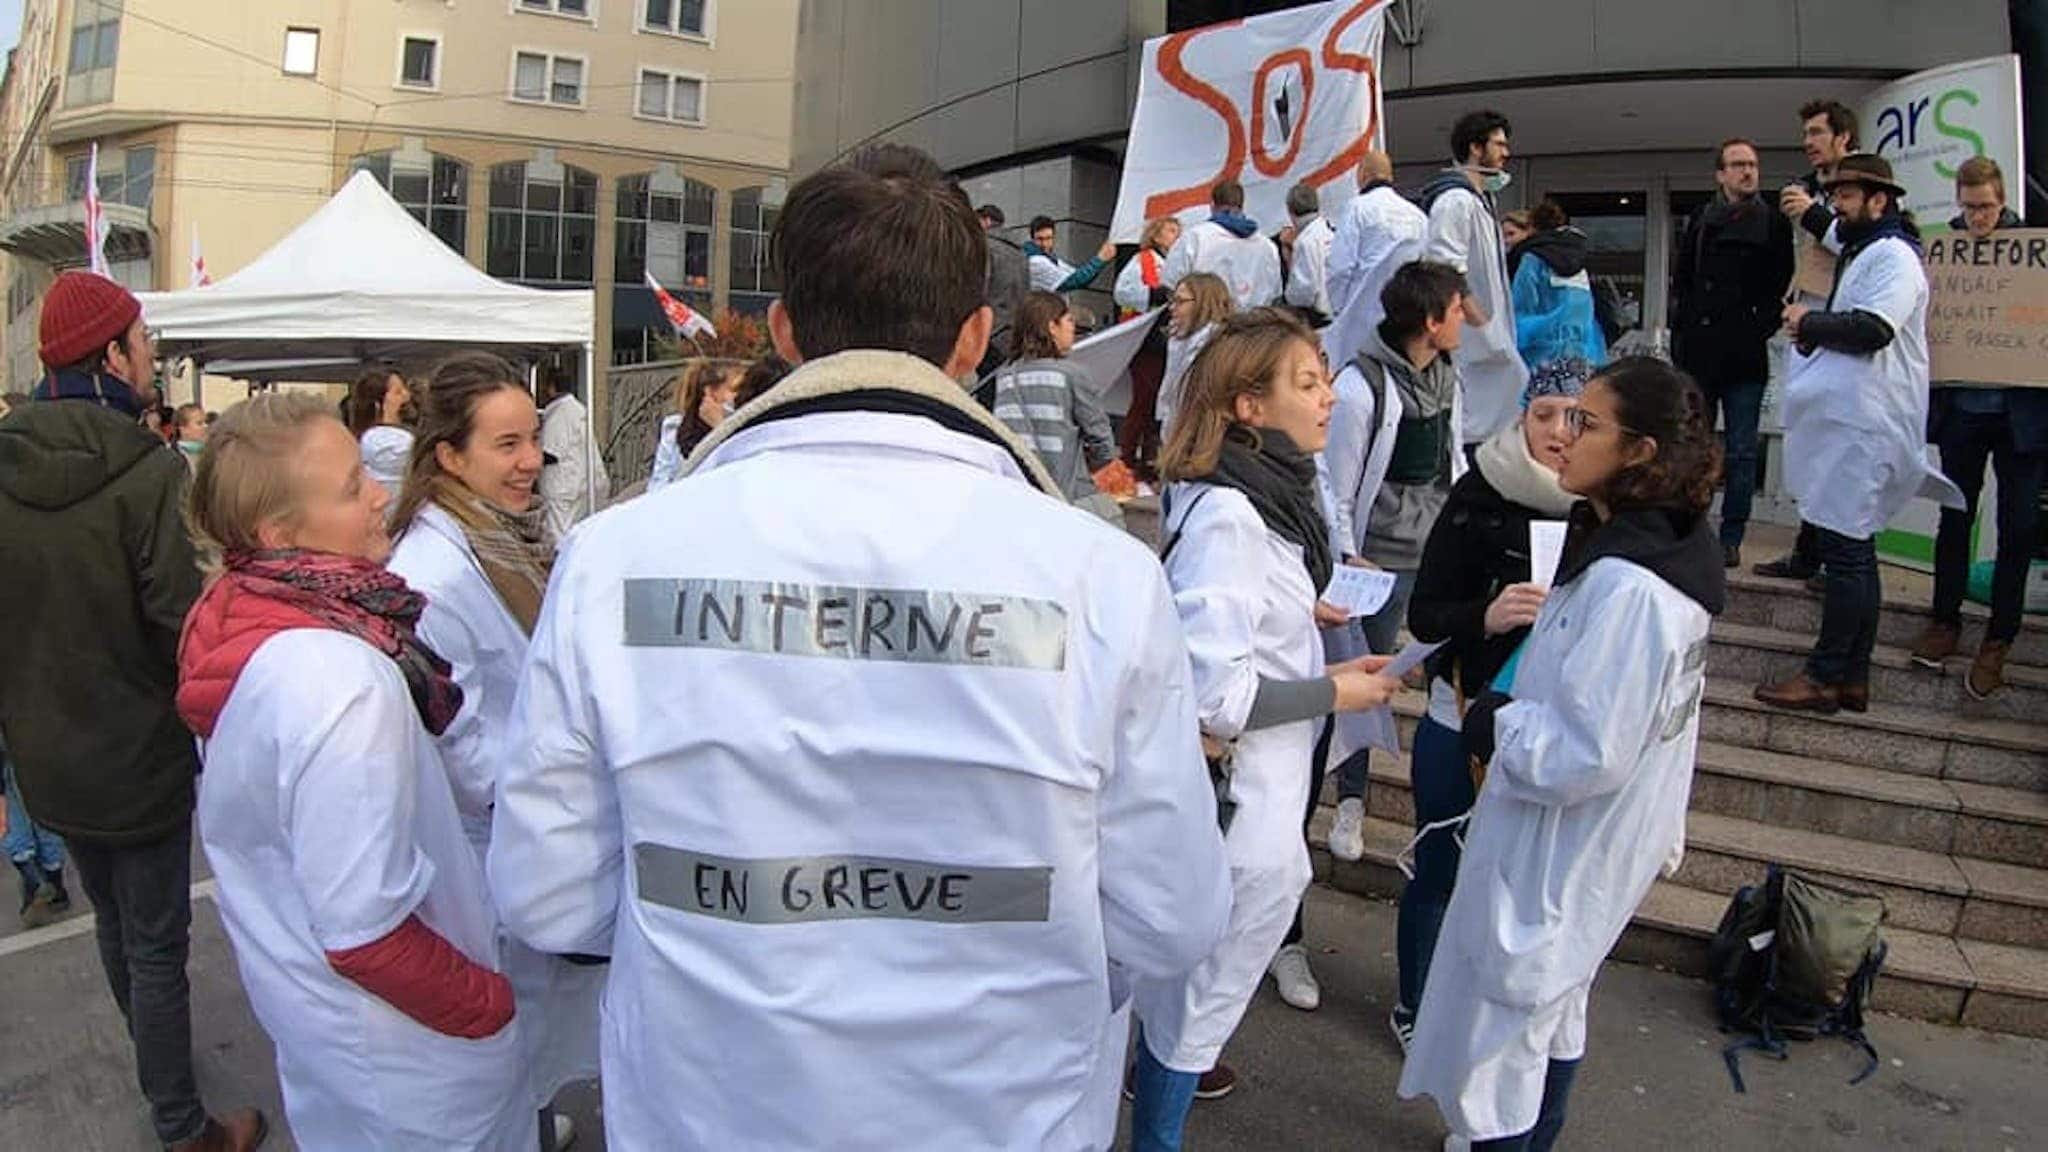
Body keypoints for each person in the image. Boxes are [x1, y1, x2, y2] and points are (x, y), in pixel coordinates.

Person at [487, 142, 1232, 1152]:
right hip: (1000, 1113)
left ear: (786, 333)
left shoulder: (610, 560)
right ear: (974, 340)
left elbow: (546, 897)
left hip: (704, 1107)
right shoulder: (1100, 578)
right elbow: (1172, 919)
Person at [175, 393, 529, 1150]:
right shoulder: (341, 680)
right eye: (350, 488)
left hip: (327, 1035)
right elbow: (368, 934)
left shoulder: (247, 622)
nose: (380, 493)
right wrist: (491, 1009)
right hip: (412, 1071)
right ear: (279, 535)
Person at [1400, 356, 1726, 1152]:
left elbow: (1587, 752)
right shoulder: (1641, 548)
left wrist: (1494, 724)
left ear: (1640, 452)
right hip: (1585, 847)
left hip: (1562, 850)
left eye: (1586, 422)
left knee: (1510, 1050)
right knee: (1547, 1018)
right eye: (1559, 415)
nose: (1564, 435)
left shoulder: (1634, 590)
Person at [0, 270, 265, 1151]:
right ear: (111, 355)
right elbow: (177, 622)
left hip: (47, 753)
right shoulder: (147, 469)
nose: (153, 356)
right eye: (144, 341)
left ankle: (162, 1076)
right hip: (137, 751)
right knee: (156, 943)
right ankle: (183, 1124)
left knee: (115, 922)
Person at [1132, 308, 1401, 1149]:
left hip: (1266, 798)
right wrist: (1330, 689)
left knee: (1187, 1003)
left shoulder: (1269, 503)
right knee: (1195, 1006)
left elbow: (1244, 623)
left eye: (1325, 378)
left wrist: (1300, 615)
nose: (1328, 399)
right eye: (1308, 383)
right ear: (1249, 407)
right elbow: (1218, 695)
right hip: (1241, 805)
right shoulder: (1234, 517)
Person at [385, 353, 597, 1151]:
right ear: (449, 455)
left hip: (525, 822)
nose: (531, 462)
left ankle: (533, 1124)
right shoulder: (432, 574)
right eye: (507, 445)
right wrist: (553, 797)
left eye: (533, 440)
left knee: (534, 1031)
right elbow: (459, 745)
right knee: (513, 1032)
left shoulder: (499, 539)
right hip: (497, 840)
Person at [1391, 359, 1586, 1054]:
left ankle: (1484, 1008)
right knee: (1439, 869)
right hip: (1460, 711)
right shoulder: (1480, 492)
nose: (1560, 433)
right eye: (1545, 415)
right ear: (1521, 418)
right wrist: (1488, 614)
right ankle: (1416, 1003)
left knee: (1517, 884)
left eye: (1577, 418)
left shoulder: (1607, 511)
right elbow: (1427, 611)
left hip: (1550, 727)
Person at [1757, 154, 1957, 714]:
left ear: (1878, 201)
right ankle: (1852, 679)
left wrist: (1805, 324)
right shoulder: (1867, 251)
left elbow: (1872, 329)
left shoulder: (1894, 257)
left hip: (1866, 426)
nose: (1836, 210)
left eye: (1845, 199)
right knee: (1853, 554)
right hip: (1849, 424)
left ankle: (1826, 675)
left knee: (1847, 556)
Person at [1322, 261, 1467, 866]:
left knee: (1440, 669)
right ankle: (1350, 797)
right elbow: (1336, 480)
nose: (1465, 319)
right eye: (1457, 309)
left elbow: (1453, 454)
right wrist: (1347, 550)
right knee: (1366, 682)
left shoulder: (1447, 378)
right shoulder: (1362, 388)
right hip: (1377, 557)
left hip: (1436, 546)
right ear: (1431, 321)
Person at [1911, 157, 2046, 699]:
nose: (1978, 217)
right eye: (1968, 208)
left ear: (2003, 199)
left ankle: (1999, 638)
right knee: (1954, 519)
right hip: (1964, 413)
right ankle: (1944, 619)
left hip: (2023, 420)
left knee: (2017, 529)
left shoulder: (2035, 252)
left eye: (1986, 207)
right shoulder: (1943, 253)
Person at [1671, 138, 1796, 569]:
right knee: (1694, 445)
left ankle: (1731, 536)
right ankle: (1689, 529)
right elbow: (1683, 281)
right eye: (1738, 165)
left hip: (1744, 355)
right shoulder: (1702, 219)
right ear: (1720, 174)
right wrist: (1682, 335)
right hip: (1700, 354)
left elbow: (1780, 283)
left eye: (1753, 165)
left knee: (1742, 450)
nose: (1748, 172)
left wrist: (1756, 327)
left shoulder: (1773, 223)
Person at [1756, 98, 1860, 582]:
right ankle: (1808, 548)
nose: (1809, 142)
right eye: (1806, 134)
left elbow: (1865, 243)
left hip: (1845, 334)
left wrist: (1816, 216)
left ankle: (1834, 554)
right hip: (1806, 326)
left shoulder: (1864, 186)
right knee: (1808, 440)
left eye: (1817, 132)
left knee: (1837, 447)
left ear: (1843, 137)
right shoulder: (1808, 186)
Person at [1419, 109, 1529, 447]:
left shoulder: (1481, 202)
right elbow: (1444, 267)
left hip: (1485, 337)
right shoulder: (1455, 201)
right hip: (1471, 337)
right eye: (1498, 144)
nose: (1506, 153)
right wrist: (1480, 320)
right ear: (1475, 148)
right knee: (1471, 425)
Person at [991, 291, 1123, 525]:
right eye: (1069, 320)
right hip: (1065, 496)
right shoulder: (1071, 375)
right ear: (1052, 326)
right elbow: (1102, 444)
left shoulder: (1004, 377)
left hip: (1020, 499)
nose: (1073, 328)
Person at [1324, 149, 1428, 371]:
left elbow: (1341, 267)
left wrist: (1342, 310)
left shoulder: (1357, 209)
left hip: (1363, 316)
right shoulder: (1417, 215)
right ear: (1390, 177)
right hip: (1407, 312)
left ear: (1361, 175)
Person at [1506, 199, 1606, 395]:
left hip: (1541, 357)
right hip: (1582, 354)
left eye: (1510, 234)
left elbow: (1521, 311)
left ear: (1532, 229)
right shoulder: (1579, 262)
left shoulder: (1532, 260)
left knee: (1541, 414)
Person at [1115, 217, 1183, 484]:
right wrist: (1156, 295)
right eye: (1170, 230)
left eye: (1178, 231)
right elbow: (1123, 292)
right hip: (1146, 341)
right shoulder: (1142, 260)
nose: (1175, 236)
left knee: (1157, 402)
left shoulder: (1173, 265)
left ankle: (1148, 461)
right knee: (1145, 399)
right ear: (1155, 235)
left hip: (1166, 341)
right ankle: (1129, 460)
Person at [1162, 180, 1284, 310]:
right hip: (1254, 323)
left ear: (1212, 205)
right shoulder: (1267, 246)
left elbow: (1171, 282)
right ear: (1242, 206)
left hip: (1207, 321)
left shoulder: (1194, 237)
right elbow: (1275, 292)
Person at [535, 369, 609, 545]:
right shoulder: (576, 409)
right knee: (578, 538)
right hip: (582, 485)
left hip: (564, 489)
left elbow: (550, 453)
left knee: (559, 539)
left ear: (551, 388)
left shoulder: (561, 413)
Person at [4, 732, 69, 928]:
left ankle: (37, 882)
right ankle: (56, 888)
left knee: (13, 823)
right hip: (37, 745)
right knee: (46, 822)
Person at [1157, 272, 1233, 437]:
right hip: (1177, 426)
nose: (1172, 307)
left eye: (1180, 301)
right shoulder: (1179, 338)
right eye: (1172, 300)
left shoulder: (1219, 343)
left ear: (1204, 303)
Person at [647, 360, 740, 492]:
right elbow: (658, 485)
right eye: (732, 390)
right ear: (710, 393)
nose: (737, 396)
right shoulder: (675, 430)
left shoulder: (737, 428)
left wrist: (720, 427)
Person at [347, 366, 416, 498]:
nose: (406, 395)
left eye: (405, 389)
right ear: (378, 404)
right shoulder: (381, 439)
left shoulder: (370, 438)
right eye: (398, 392)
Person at [981, 204, 1032, 380]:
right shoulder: (1021, 254)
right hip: (1013, 335)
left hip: (988, 332)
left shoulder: (985, 247)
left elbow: (979, 288)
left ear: (986, 221)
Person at [1282, 182, 1335, 323]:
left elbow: (1303, 292)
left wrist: (1287, 297)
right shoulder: (1330, 233)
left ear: (1290, 211)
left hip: (1319, 318)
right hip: (1337, 311)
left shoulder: (1305, 242)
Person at [1026, 214, 1117, 294]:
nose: (1045, 244)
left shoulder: (1050, 259)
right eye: (1040, 239)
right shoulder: (1035, 261)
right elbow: (1073, 281)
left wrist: (1100, 260)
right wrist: (1100, 259)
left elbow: (1078, 277)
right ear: (1032, 239)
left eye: (1048, 238)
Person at [172, 402, 209, 470]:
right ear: (183, 429)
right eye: (199, 423)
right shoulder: (172, 457)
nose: (205, 426)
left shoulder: (211, 453)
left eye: (206, 422)